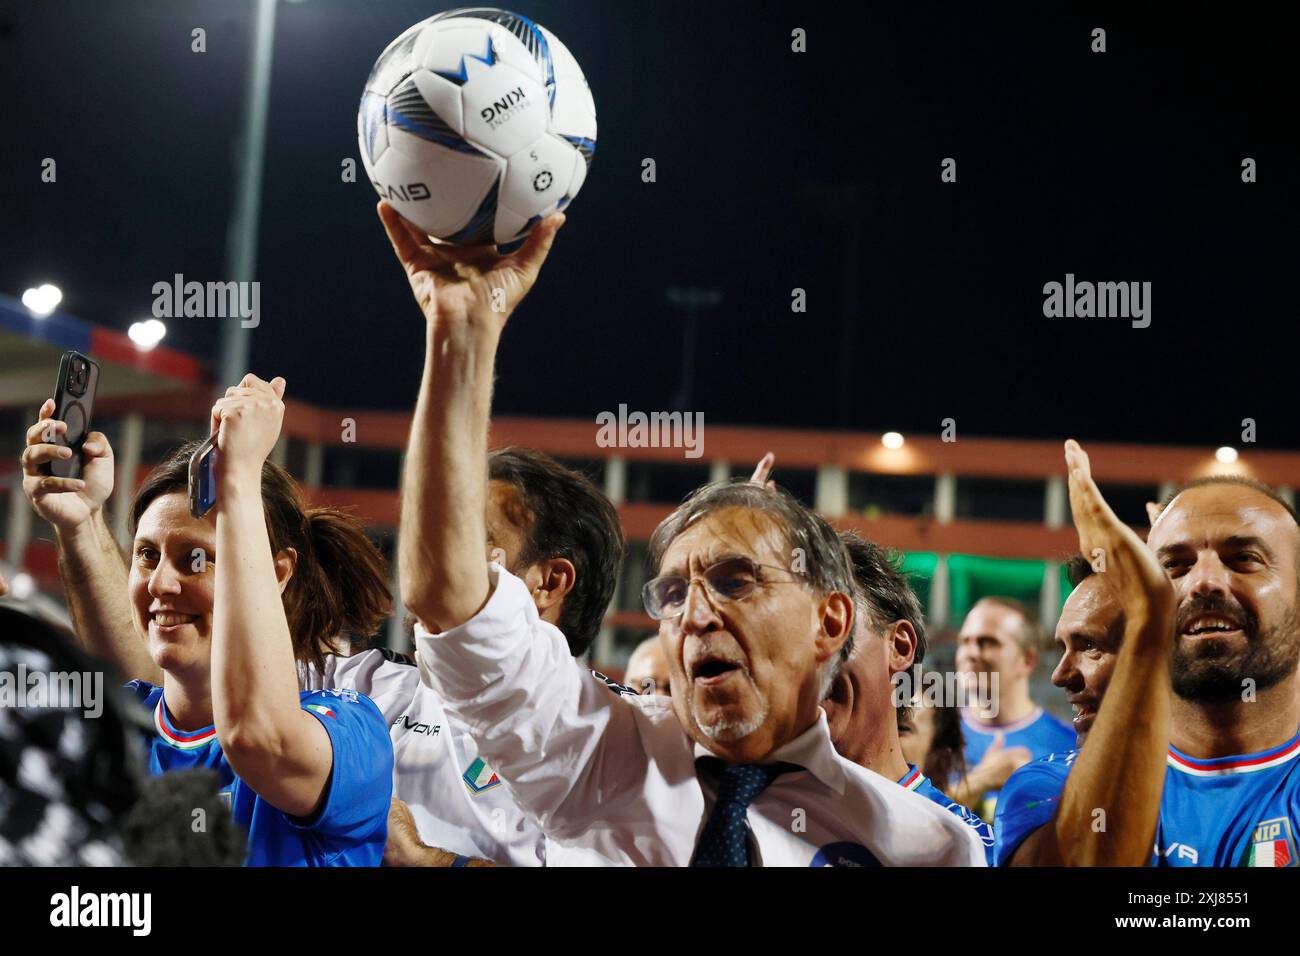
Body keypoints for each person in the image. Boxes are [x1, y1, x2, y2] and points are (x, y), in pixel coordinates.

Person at [387, 204, 983, 865]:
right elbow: (450, 599)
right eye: (672, 592)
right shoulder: (608, 752)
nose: (696, 613)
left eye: (735, 581)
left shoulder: (930, 847)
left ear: (830, 622)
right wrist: (461, 334)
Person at [21, 376, 394, 865]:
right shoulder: (107, 722)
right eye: (148, 555)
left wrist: (238, 478)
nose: (161, 584)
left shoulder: (350, 730)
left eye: (196, 559)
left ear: (277, 572)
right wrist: (79, 521)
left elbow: (259, 740)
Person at [822, 532, 994, 862]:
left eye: (832, 629)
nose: (807, 658)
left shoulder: (964, 845)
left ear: (900, 647)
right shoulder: (741, 810)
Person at [993, 550, 1130, 865]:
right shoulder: (1045, 787)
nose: (1059, 676)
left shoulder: (1253, 785)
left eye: (1089, 645)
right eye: (1063, 648)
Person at [955, 595, 1074, 815]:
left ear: (1027, 660)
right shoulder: (932, 736)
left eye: (987, 642)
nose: (971, 653)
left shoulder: (1068, 746)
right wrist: (980, 780)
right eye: (965, 642)